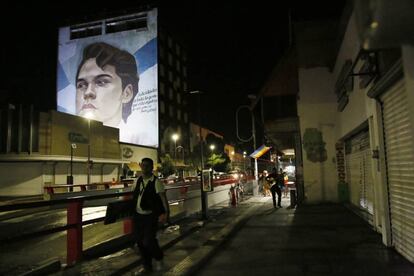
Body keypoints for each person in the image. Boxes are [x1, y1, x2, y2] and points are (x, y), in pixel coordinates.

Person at [76, 42, 138, 128]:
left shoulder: (140, 139)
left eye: (101, 82)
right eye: (81, 85)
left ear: (126, 93)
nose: (88, 92)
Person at [131, 157, 170, 272]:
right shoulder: (137, 181)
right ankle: (147, 266)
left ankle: (159, 257)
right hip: (138, 216)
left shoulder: (156, 182)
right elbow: (133, 196)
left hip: (151, 216)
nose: (145, 168)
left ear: (152, 167)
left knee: (148, 241)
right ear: (140, 166)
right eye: (143, 165)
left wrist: (165, 213)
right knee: (139, 242)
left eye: (147, 166)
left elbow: (163, 198)